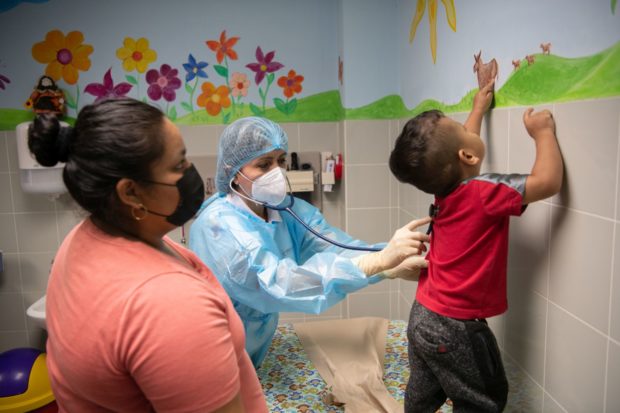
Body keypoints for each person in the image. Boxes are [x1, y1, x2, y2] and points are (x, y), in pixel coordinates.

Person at [29, 98, 268, 412]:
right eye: (179, 165)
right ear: (130, 192)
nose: (191, 173)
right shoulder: (169, 304)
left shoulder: (79, 241)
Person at [189, 116, 431, 368]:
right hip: (218, 350)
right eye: (263, 164)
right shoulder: (219, 227)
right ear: (234, 173)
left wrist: (388, 265)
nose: (277, 172)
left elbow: (334, 246)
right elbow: (278, 283)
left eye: (281, 161)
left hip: (256, 345)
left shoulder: (283, 210)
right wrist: (378, 261)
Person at [389, 81, 563, 412]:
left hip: (423, 315)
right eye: (459, 128)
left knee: (423, 394)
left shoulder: (443, 188)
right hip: (457, 328)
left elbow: (462, 151)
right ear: (467, 155)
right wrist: (542, 133)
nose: (467, 127)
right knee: (482, 398)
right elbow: (548, 182)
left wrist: (478, 109)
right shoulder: (484, 193)